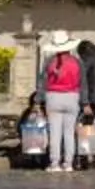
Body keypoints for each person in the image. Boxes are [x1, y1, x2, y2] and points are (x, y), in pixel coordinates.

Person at [38, 33, 85, 175]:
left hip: (53, 97)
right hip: (72, 96)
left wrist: (37, 101)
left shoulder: (48, 61)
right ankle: (68, 163)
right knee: (69, 133)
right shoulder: (77, 62)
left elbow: (42, 82)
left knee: (54, 132)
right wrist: (85, 101)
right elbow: (83, 84)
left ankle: (54, 162)